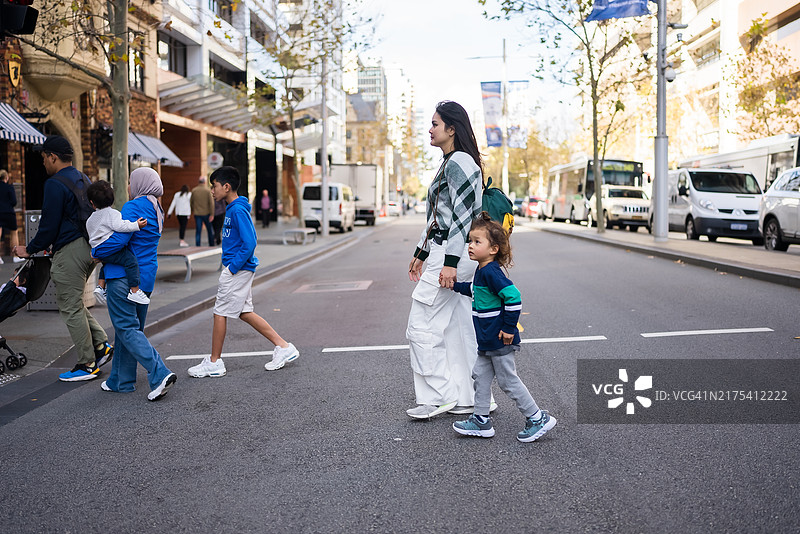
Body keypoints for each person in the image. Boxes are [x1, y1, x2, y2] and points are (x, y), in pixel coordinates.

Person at [405, 101, 484, 419]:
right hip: (447, 252)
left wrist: (448, 262)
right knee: (457, 328)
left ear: (452, 129)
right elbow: (441, 215)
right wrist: (421, 252)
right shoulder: (452, 162)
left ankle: (439, 396)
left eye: (435, 123)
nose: (430, 129)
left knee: (420, 324)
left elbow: (463, 221)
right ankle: (472, 396)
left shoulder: (459, 162)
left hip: (452, 253)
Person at [14, 136, 113, 381]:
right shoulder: (83, 178)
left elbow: (48, 225)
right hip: (89, 248)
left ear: (53, 157)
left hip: (70, 250)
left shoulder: (54, 184)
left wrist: (30, 248)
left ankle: (87, 364)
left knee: (69, 305)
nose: (44, 163)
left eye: (44, 158)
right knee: (73, 302)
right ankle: (100, 345)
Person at [450, 213, 557, 442]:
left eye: (477, 242)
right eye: (470, 241)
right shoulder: (482, 270)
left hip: (499, 338)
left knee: (508, 381)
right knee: (479, 375)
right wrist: (455, 286)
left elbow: (513, 297)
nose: (470, 245)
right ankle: (481, 420)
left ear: (493, 249)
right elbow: (476, 292)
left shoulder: (491, 271)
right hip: (487, 339)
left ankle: (537, 418)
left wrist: (509, 328)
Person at [188, 166, 299, 378]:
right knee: (243, 312)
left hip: (237, 270)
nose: (212, 190)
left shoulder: (237, 210)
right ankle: (284, 347)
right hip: (238, 269)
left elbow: (250, 242)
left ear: (226, 187)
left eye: (215, 186)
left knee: (220, 311)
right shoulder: (233, 208)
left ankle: (214, 362)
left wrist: (231, 268)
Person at [95, 167, 176, 401]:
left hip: (123, 277)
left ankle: (160, 372)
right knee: (129, 330)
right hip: (146, 277)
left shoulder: (133, 206)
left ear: (139, 184)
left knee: (127, 329)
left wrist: (97, 251)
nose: (128, 186)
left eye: (131, 182)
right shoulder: (156, 207)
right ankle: (120, 381)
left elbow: (121, 239)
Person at [86, 180, 150, 306]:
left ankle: (100, 286)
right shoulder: (112, 213)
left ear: (92, 203)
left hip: (97, 249)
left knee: (109, 261)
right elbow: (121, 226)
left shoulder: (90, 219)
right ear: (112, 199)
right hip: (108, 246)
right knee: (130, 261)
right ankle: (135, 290)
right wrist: (136, 225)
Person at [0, 169, 20, 264]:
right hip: (9, 213)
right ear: (6, 178)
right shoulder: (9, 187)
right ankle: (15, 256)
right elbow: (14, 201)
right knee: (14, 233)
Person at [190, 176, 215, 246]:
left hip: (197, 213)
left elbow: (191, 202)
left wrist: (193, 210)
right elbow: (211, 203)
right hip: (207, 213)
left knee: (198, 230)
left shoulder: (194, 190)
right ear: (205, 182)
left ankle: (198, 245)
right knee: (209, 230)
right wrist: (212, 214)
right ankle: (211, 244)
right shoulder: (208, 190)